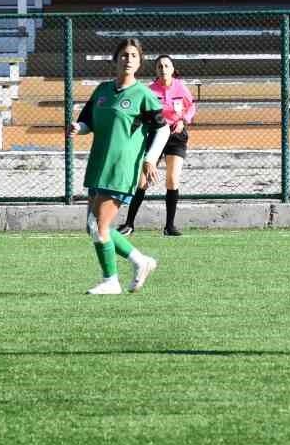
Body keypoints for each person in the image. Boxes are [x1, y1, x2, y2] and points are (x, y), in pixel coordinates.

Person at [67, 36, 169, 294]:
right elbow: (88, 121)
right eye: (123, 55)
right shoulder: (102, 90)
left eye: (133, 56)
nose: (128, 59)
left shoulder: (143, 95)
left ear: (139, 62)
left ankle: (110, 281)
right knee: (93, 225)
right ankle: (140, 261)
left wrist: (150, 159)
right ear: (115, 59)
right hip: (99, 163)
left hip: (122, 167)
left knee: (98, 227)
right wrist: (78, 128)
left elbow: (163, 129)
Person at [118, 53, 195, 237]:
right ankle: (129, 224)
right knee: (142, 182)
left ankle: (169, 226)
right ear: (156, 70)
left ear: (172, 69)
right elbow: (141, 113)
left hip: (176, 138)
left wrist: (184, 120)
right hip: (156, 137)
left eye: (166, 66)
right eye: (160, 66)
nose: (163, 69)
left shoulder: (181, 87)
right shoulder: (150, 90)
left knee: (172, 180)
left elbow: (191, 106)